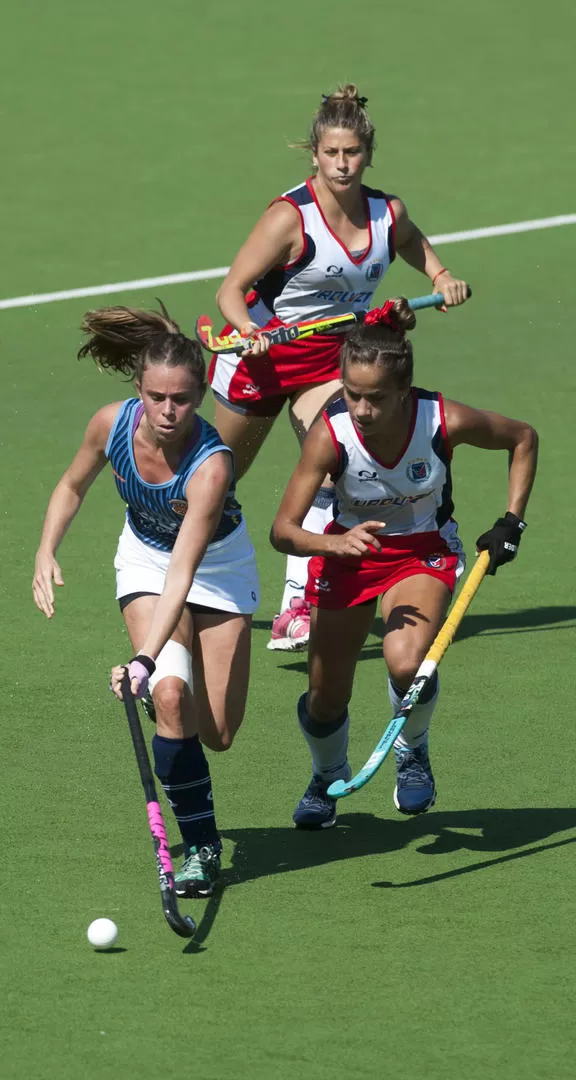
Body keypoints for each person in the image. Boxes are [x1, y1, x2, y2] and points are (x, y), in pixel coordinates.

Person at [211, 84, 470, 651]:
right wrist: (253, 333)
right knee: (216, 485)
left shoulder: (386, 212)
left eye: (352, 152)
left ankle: (297, 607)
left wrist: (440, 274)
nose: (343, 163)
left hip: (330, 359)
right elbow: (231, 291)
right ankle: (179, 584)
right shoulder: (289, 217)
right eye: (332, 153)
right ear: (315, 155)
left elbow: (411, 240)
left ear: (368, 153)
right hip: (261, 356)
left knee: (334, 461)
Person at [270, 299, 537, 828]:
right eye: (351, 395)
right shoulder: (331, 435)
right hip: (348, 556)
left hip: (422, 552)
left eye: (375, 398)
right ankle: (327, 776)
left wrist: (512, 521)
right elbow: (283, 531)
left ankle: (411, 751)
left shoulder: (443, 420)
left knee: (406, 662)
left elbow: (523, 439)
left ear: (404, 392)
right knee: (325, 699)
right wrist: (333, 545)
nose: (361, 410)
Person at [32, 303, 259, 895]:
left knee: (219, 733)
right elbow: (71, 484)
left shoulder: (211, 467)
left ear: (200, 392)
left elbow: (186, 569)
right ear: (139, 389)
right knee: (169, 697)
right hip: (144, 561)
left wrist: (143, 653)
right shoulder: (111, 423)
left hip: (219, 568)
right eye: (156, 396)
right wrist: (45, 550)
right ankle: (202, 846)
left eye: (180, 399)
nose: (167, 411)